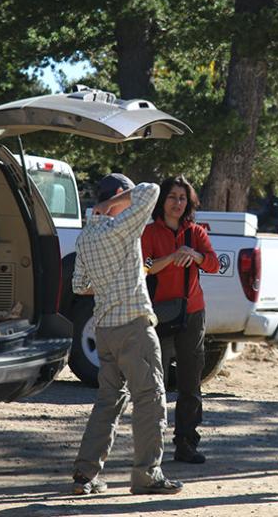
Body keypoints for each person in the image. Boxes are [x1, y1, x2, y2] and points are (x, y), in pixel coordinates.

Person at [71, 174, 183, 496]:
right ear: (120, 196)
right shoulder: (120, 227)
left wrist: (109, 289)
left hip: (104, 329)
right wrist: (116, 202)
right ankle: (147, 474)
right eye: (124, 196)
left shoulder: (86, 236)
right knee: (150, 399)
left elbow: (79, 286)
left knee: (108, 401)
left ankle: (85, 475)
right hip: (133, 327)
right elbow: (151, 190)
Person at [141, 175, 219, 464]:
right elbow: (144, 267)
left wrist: (195, 255)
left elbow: (212, 264)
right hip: (159, 314)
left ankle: (186, 443)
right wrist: (172, 257)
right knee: (155, 382)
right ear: (162, 201)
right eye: (172, 197)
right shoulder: (149, 232)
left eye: (182, 198)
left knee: (190, 381)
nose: (177, 202)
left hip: (192, 313)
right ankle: (152, 446)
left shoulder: (196, 232)